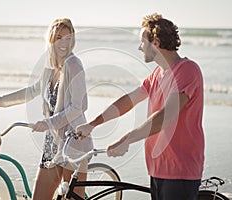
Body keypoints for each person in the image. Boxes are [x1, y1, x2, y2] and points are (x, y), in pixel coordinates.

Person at [77, 13, 204, 200]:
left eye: (142, 42)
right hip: (157, 167)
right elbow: (128, 101)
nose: (139, 47)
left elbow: (165, 117)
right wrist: (93, 124)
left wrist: (127, 139)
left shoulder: (187, 70)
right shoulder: (156, 75)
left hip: (180, 170)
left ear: (157, 43)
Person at [0, 18, 93, 200]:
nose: (64, 43)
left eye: (68, 38)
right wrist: (0, 101)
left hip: (72, 143)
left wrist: (47, 123)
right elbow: (32, 91)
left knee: (74, 198)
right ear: (51, 39)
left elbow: (78, 107)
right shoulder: (50, 67)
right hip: (51, 143)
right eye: (59, 37)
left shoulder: (74, 64)